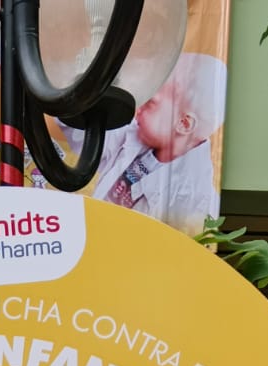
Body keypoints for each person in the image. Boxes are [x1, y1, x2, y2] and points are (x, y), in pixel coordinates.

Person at [67, 52, 226, 236]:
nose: (139, 108)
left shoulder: (195, 201)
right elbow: (81, 134)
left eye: (150, 103)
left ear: (184, 124)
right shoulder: (138, 135)